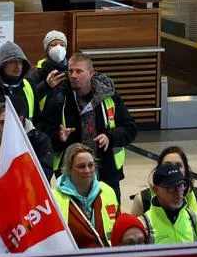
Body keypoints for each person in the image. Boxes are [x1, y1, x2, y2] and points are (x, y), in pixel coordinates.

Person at [43, 52, 137, 201]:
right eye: (71, 71)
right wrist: (59, 137)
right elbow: (45, 134)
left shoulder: (110, 97)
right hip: (71, 175)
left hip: (107, 171)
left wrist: (110, 137)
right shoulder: (59, 99)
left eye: (79, 71)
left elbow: (130, 129)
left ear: (91, 73)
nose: (74, 75)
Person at [52, 144, 120, 249]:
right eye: (81, 166)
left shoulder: (107, 191)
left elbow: (120, 227)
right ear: (69, 169)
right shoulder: (54, 199)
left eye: (91, 165)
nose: (87, 171)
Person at [128, 145, 197, 222]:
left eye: (178, 165)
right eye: (167, 165)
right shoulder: (142, 200)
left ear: (186, 170)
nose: (173, 170)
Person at [138, 162, 197, 244]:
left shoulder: (196, 221)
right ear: (156, 190)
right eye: (171, 187)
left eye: (181, 185)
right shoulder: (143, 226)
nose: (178, 192)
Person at [29, 30, 68, 114]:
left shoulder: (71, 71)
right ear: (46, 49)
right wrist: (46, 85)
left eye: (62, 45)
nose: (58, 48)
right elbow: (30, 98)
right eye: (53, 45)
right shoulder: (38, 72)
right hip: (44, 122)